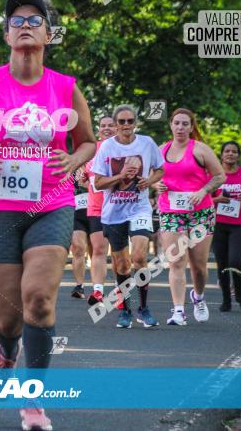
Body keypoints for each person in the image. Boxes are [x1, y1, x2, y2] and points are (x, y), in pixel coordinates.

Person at [0, 0, 96, 431]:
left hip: (51, 201)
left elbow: (87, 140)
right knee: (7, 315)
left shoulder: (66, 87)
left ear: (49, 35)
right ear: (7, 35)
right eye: (18, 20)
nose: (26, 25)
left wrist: (73, 161)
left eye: (36, 19)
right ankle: (7, 351)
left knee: (38, 300)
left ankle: (33, 402)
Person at [91, 105, 164, 328]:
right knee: (122, 266)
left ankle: (144, 308)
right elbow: (97, 182)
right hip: (113, 213)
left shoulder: (147, 143)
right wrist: (120, 176)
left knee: (139, 257)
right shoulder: (106, 148)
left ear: (135, 123)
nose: (126, 125)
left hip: (139, 209)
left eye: (130, 121)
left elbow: (160, 169)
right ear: (114, 125)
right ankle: (126, 310)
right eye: (121, 122)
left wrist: (149, 182)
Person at [152, 108, 225, 326]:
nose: (180, 128)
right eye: (177, 123)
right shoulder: (160, 150)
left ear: (191, 127)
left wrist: (203, 191)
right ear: (171, 126)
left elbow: (220, 176)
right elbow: (150, 177)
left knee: (198, 266)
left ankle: (198, 297)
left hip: (200, 212)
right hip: (170, 212)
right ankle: (178, 311)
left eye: (185, 124)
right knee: (176, 261)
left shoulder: (200, 150)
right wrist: (157, 183)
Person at [211, 142, 241, 312]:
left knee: (236, 261)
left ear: (238, 155)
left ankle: (239, 293)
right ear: (221, 155)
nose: (230, 154)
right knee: (222, 263)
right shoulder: (214, 175)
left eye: (234, 152)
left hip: (238, 225)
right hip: (218, 224)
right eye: (227, 151)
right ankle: (226, 299)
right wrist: (217, 200)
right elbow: (204, 199)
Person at [79, 116, 115, 304]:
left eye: (110, 125)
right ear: (98, 129)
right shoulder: (92, 150)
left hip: (119, 208)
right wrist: (84, 181)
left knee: (118, 251)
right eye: (103, 126)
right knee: (99, 249)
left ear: (116, 128)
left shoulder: (122, 149)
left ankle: (119, 288)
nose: (106, 129)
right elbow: (83, 178)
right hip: (96, 208)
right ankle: (98, 291)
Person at [69, 171, 91, 297]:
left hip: (96, 212)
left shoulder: (97, 164)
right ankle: (79, 286)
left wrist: (88, 185)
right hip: (76, 212)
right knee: (78, 249)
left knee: (97, 251)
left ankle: (98, 288)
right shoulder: (72, 167)